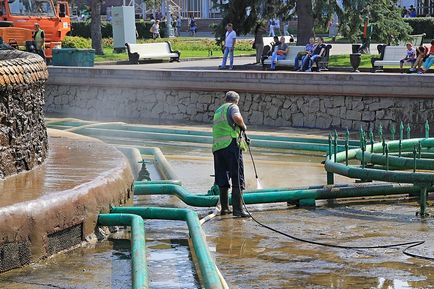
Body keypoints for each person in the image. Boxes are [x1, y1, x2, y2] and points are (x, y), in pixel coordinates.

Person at [212, 91, 249, 218]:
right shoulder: (232, 107)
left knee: (222, 178)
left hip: (217, 148)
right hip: (230, 145)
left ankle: (225, 209)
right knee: (237, 177)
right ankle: (238, 210)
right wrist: (243, 126)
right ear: (236, 101)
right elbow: (237, 118)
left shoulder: (218, 110)